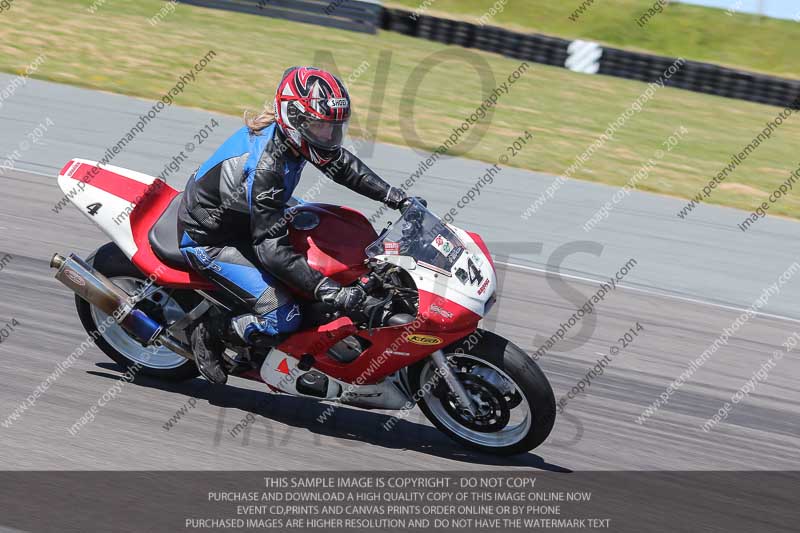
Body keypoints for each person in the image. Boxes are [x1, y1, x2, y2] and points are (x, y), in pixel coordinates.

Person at [177, 66, 411, 384]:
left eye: (334, 128)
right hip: (213, 238)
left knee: (343, 245)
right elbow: (270, 249)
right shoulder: (266, 167)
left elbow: (341, 165)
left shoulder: (296, 139)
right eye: (321, 127)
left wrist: (395, 198)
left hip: (257, 216)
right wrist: (334, 293)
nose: (329, 136)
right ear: (294, 119)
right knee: (283, 317)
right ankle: (208, 330)